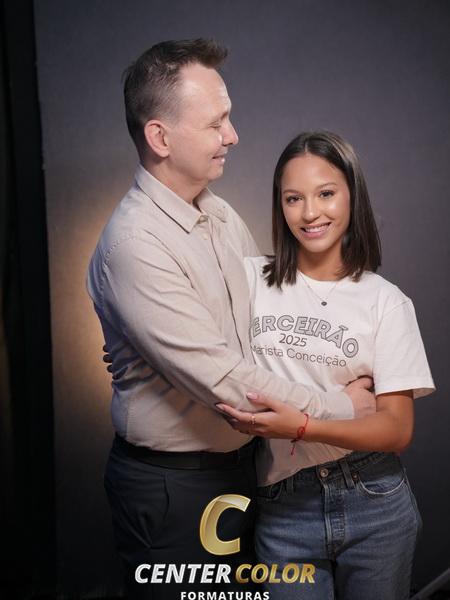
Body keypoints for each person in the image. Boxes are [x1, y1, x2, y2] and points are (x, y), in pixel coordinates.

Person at [87, 40, 374, 600]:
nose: (233, 135)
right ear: (160, 137)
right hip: (175, 489)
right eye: (216, 122)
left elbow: (265, 319)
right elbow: (228, 381)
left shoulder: (217, 213)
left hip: (242, 471)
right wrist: (346, 408)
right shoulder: (134, 246)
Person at [217, 131, 435, 600]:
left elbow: (396, 429)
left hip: (374, 501)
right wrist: (141, 354)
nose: (310, 213)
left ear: (352, 195)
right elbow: (188, 332)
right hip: (283, 507)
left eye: (326, 194)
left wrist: (302, 427)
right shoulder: (249, 279)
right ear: (280, 205)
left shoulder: (386, 302)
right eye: (293, 198)